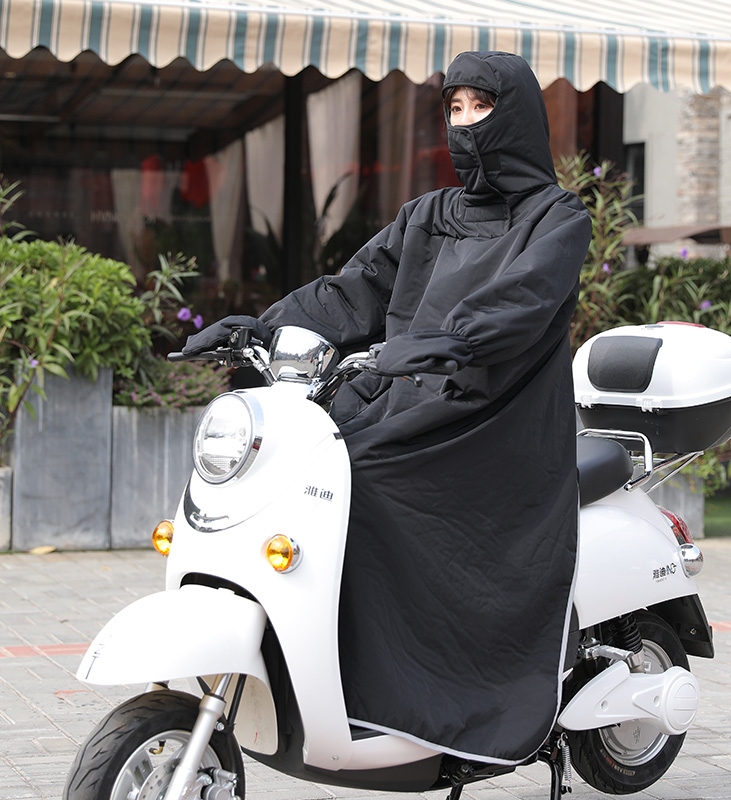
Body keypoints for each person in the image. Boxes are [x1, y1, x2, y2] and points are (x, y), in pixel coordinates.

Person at [183, 51, 592, 765]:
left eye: (481, 108)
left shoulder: (554, 218)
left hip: (490, 417)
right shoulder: (430, 214)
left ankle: (412, 698)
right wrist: (259, 325)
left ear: (517, 115)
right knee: (308, 470)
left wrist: (437, 344)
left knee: (363, 486)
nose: (464, 124)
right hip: (403, 395)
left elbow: (519, 307)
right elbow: (353, 292)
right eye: (454, 109)